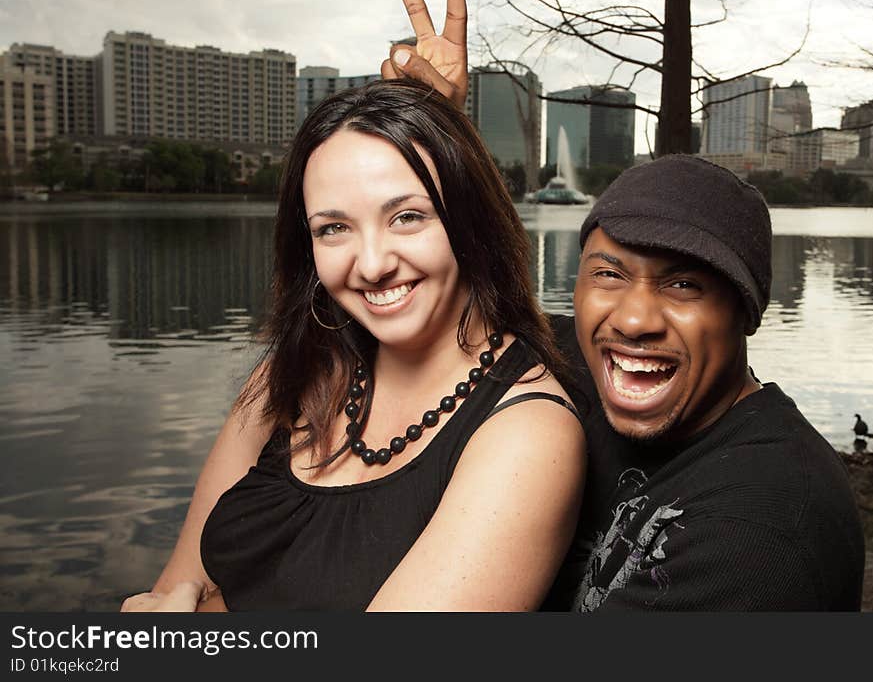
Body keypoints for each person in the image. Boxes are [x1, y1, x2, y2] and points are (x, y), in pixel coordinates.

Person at [383, 0, 865, 611]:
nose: (634, 318)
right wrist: (436, 137)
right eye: (609, 273)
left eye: (684, 284)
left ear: (746, 309)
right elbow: (443, 299)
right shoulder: (577, 370)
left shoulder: (766, 525)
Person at [121, 78, 586, 612]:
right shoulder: (290, 374)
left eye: (407, 217)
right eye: (333, 228)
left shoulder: (529, 433)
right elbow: (170, 590)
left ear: (469, 218)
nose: (370, 265)